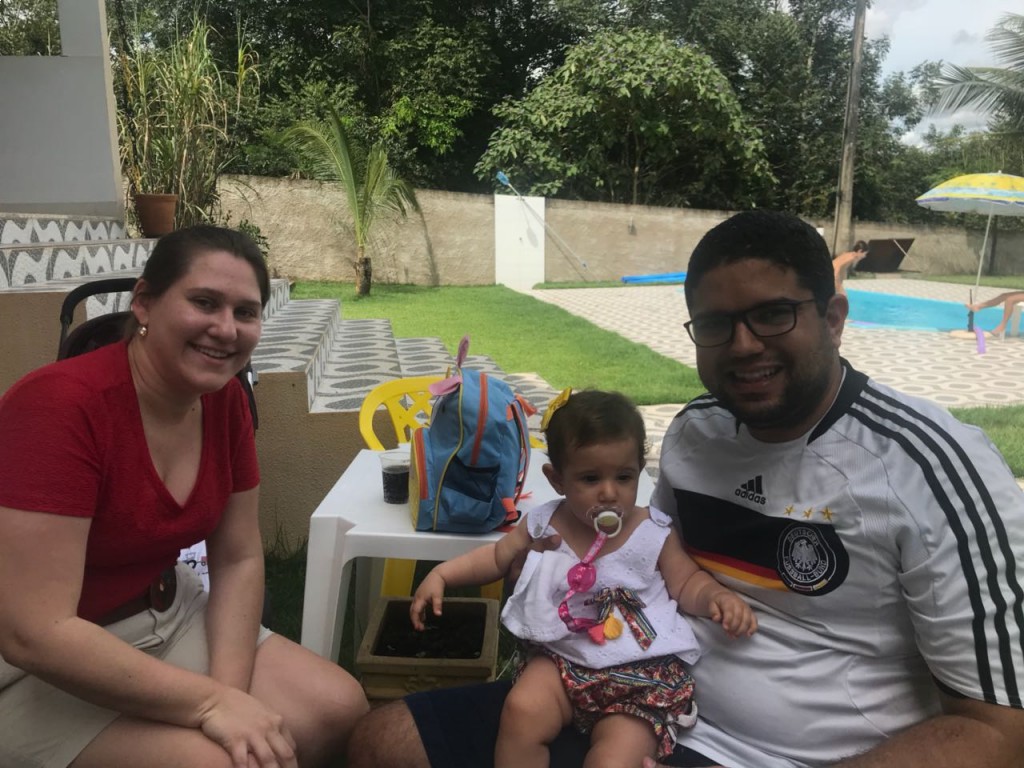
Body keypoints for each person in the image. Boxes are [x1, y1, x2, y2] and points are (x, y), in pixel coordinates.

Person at [346, 209, 1024, 768]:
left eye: (774, 314)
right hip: (624, 688)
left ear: (834, 317)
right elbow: (645, 564)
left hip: (790, 757)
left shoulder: (930, 469)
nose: (744, 345)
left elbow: (999, 732)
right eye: (716, 324)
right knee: (380, 743)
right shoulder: (695, 434)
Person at [0, 225, 369, 768]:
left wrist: (229, 695)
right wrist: (209, 705)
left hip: (168, 613)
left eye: (246, 312)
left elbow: (238, 557)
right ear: (145, 303)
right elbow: (33, 632)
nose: (226, 329)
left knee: (337, 708)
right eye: (204, 302)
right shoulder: (59, 407)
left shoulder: (225, 401)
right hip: (35, 667)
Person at [410, 389, 756, 767]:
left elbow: (686, 583)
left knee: (613, 759)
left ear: (640, 469)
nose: (609, 493)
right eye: (590, 478)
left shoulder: (651, 531)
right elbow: (496, 557)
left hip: (638, 675)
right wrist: (443, 574)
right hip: (562, 659)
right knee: (522, 710)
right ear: (557, 479)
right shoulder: (545, 523)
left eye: (623, 477)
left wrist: (715, 598)